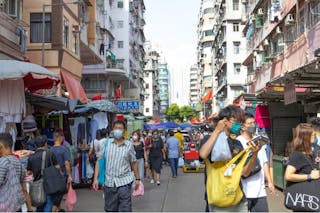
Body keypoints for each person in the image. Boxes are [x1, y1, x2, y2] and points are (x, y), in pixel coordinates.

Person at [199, 105, 261, 212]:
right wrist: (217, 131)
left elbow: (245, 173)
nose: (238, 125)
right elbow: (203, 154)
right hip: (216, 198)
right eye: (236, 121)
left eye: (240, 122)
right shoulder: (209, 139)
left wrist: (254, 155)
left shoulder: (237, 143)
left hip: (237, 199)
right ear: (225, 121)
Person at [92, 120, 140, 212]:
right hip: (109, 183)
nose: (118, 130)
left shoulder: (129, 145)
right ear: (112, 130)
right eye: (116, 128)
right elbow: (99, 161)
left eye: (120, 128)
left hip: (124, 183)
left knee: (125, 209)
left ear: (124, 131)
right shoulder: (106, 144)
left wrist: (138, 179)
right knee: (110, 210)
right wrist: (95, 179)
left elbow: (134, 162)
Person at [236, 113, 275, 212]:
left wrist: (270, 182)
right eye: (250, 123)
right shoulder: (238, 142)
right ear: (243, 127)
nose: (253, 125)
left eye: (254, 123)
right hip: (243, 191)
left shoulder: (258, 140)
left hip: (260, 191)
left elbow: (264, 163)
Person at [0, 133, 33, 212]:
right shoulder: (19, 163)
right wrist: (30, 209)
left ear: (0, 146)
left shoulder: (2, 162)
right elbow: (24, 190)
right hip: (16, 207)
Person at [27, 135, 60, 212]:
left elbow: (29, 172)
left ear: (35, 145)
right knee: (48, 204)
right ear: (45, 144)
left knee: (39, 203)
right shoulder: (50, 153)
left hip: (37, 184)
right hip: (50, 184)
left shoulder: (31, 157)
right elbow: (57, 167)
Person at [285, 123, 320, 194]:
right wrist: (309, 176)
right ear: (306, 137)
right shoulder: (297, 155)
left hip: (311, 195)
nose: (315, 136)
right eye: (313, 135)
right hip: (303, 197)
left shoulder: (309, 153)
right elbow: (288, 176)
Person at [49, 131, 72, 212]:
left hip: (52, 175)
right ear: (60, 138)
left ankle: (59, 210)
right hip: (62, 175)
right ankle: (54, 210)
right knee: (59, 195)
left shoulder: (50, 150)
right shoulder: (64, 149)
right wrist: (69, 175)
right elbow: (66, 163)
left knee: (57, 194)